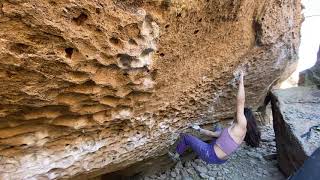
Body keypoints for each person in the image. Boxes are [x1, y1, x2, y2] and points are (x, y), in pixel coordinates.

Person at [169, 71, 261, 164]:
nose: (235, 113)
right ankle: (208, 140)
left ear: (243, 118)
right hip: (221, 159)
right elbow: (213, 134)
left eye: (238, 113)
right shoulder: (237, 131)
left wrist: (241, 80)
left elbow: (240, 102)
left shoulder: (241, 126)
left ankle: (176, 155)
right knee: (218, 128)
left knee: (186, 137)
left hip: (211, 154)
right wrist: (199, 129)